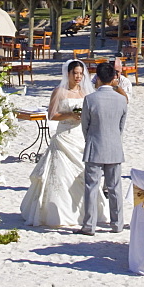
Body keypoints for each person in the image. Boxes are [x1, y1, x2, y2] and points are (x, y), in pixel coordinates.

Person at [20, 59, 104, 227]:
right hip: (64, 135)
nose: (78, 77)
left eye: (81, 73)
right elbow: (51, 115)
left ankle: (84, 212)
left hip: (80, 136)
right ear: (68, 74)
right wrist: (70, 116)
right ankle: (55, 212)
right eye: (75, 73)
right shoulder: (59, 91)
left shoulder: (86, 92)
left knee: (82, 172)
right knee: (59, 175)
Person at [81, 61, 128, 235]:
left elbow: (84, 124)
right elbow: (121, 126)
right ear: (113, 78)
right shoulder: (122, 99)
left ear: (98, 78)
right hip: (114, 145)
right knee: (115, 187)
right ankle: (117, 223)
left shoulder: (90, 99)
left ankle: (89, 225)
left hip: (95, 145)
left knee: (91, 187)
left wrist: (91, 139)